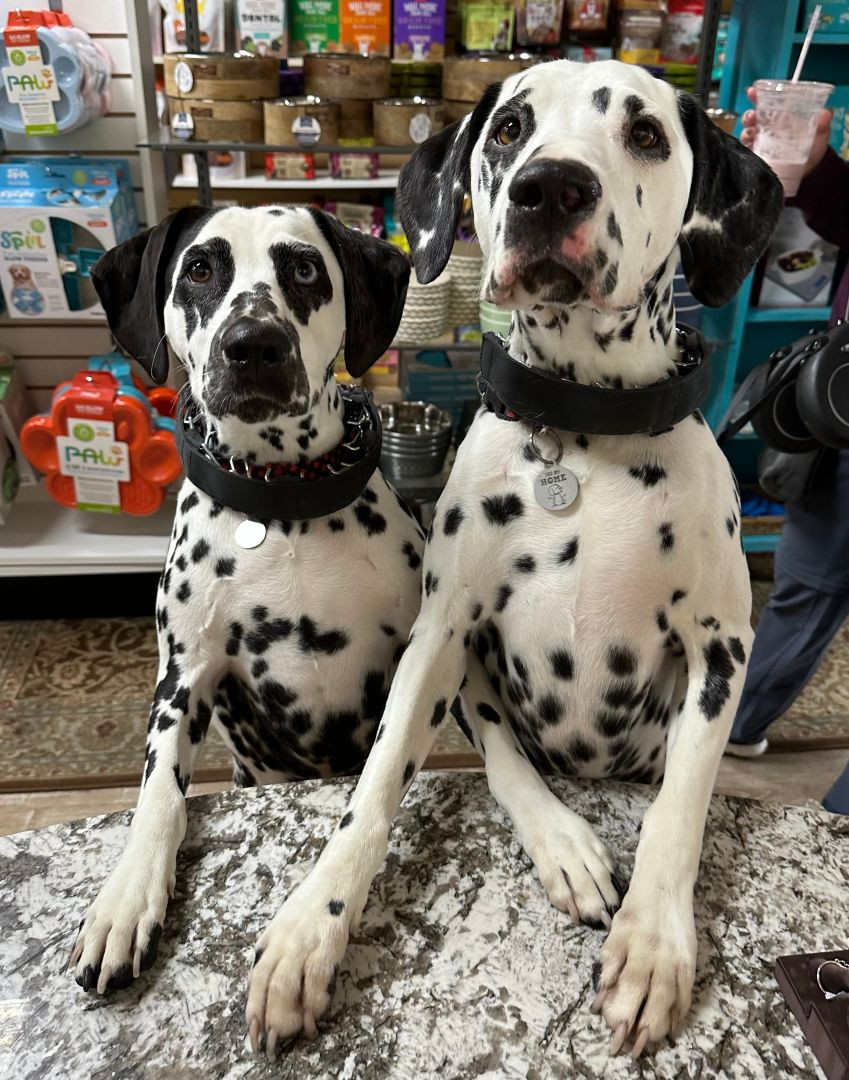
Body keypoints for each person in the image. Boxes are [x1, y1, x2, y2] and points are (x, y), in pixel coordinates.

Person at [724, 87, 849, 817]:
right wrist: (815, 170)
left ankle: (834, 845)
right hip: (840, 413)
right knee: (806, 580)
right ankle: (736, 723)